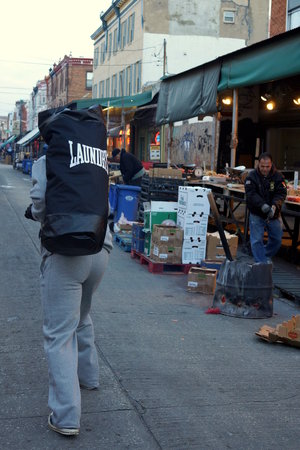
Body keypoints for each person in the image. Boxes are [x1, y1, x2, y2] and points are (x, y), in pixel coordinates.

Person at [25, 146, 113, 436]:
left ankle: (65, 417)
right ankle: (88, 377)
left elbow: (39, 199)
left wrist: (40, 216)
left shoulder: (47, 159)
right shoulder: (95, 155)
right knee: (82, 314)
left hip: (66, 250)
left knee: (59, 334)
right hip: (100, 247)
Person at [245, 152, 287, 263]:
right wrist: (262, 205)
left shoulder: (278, 176)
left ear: (271, 164)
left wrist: (274, 206)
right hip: (257, 213)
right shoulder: (251, 176)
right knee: (256, 240)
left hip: (274, 214)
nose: (265, 169)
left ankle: (264, 255)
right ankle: (262, 264)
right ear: (258, 164)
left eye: (267, 166)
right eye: (262, 166)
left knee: (277, 239)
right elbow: (250, 194)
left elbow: (281, 193)